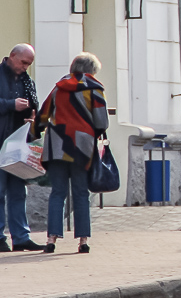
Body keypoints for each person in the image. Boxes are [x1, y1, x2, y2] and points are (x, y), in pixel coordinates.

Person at [35, 52, 108, 254]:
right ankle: (83, 241)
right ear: (91, 70)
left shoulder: (58, 88)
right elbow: (102, 122)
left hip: (56, 145)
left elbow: (43, 115)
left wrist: (34, 132)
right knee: (81, 194)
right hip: (81, 147)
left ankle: (51, 239)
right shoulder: (95, 89)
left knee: (57, 193)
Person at [0, 44, 40, 252]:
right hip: (0, 142)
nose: (25, 67)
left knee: (18, 191)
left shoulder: (27, 81)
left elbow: (35, 104)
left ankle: (21, 237)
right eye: (24, 62)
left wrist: (32, 117)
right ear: (12, 56)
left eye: (29, 64)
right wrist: (10, 104)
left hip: (17, 144)